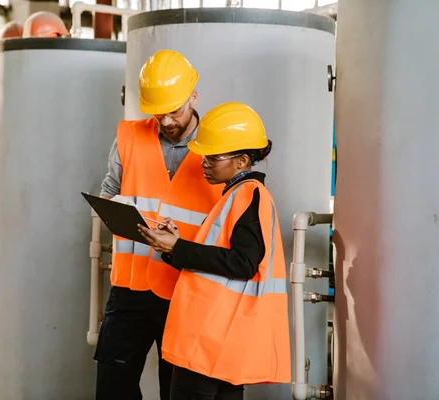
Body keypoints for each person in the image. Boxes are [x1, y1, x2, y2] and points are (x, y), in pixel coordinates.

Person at [138, 102, 292, 399]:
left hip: (212, 341)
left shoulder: (248, 195)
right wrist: (175, 246)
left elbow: (244, 263)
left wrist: (179, 248)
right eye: (204, 156)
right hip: (216, 341)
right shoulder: (239, 196)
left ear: (242, 160)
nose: (204, 163)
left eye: (213, 157)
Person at [95, 49, 222, 400]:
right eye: (157, 113)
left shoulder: (218, 145)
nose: (166, 121)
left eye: (174, 111)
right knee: (112, 385)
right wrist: (115, 210)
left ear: (194, 96)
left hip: (187, 289)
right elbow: (109, 194)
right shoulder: (129, 136)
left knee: (179, 391)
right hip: (129, 289)